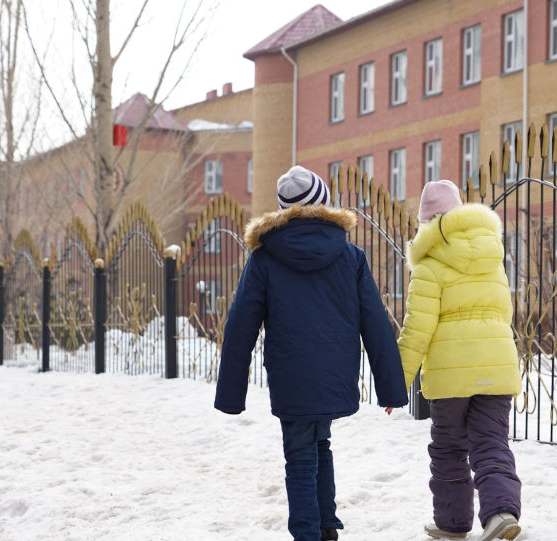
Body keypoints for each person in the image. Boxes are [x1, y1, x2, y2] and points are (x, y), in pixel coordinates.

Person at [215, 165, 409, 541]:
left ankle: (307, 532)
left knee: (300, 456)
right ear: (322, 203)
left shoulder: (264, 258)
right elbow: (375, 321)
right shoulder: (350, 255)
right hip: (336, 371)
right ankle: (326, 525)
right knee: (320, 443)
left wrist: (230, 394)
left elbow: (240, 326)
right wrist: (391, 388)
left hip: (291, 374)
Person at [393, 179, 522, 541]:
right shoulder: (492, 256)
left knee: (449, 447)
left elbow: (417, 329)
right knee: (492, 441)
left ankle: (452, 523)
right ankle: (501, 513)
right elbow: (505, 313)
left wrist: (396, 381)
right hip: (497, 369)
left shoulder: (429, 265)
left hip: (450, 378)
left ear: (426, 223)